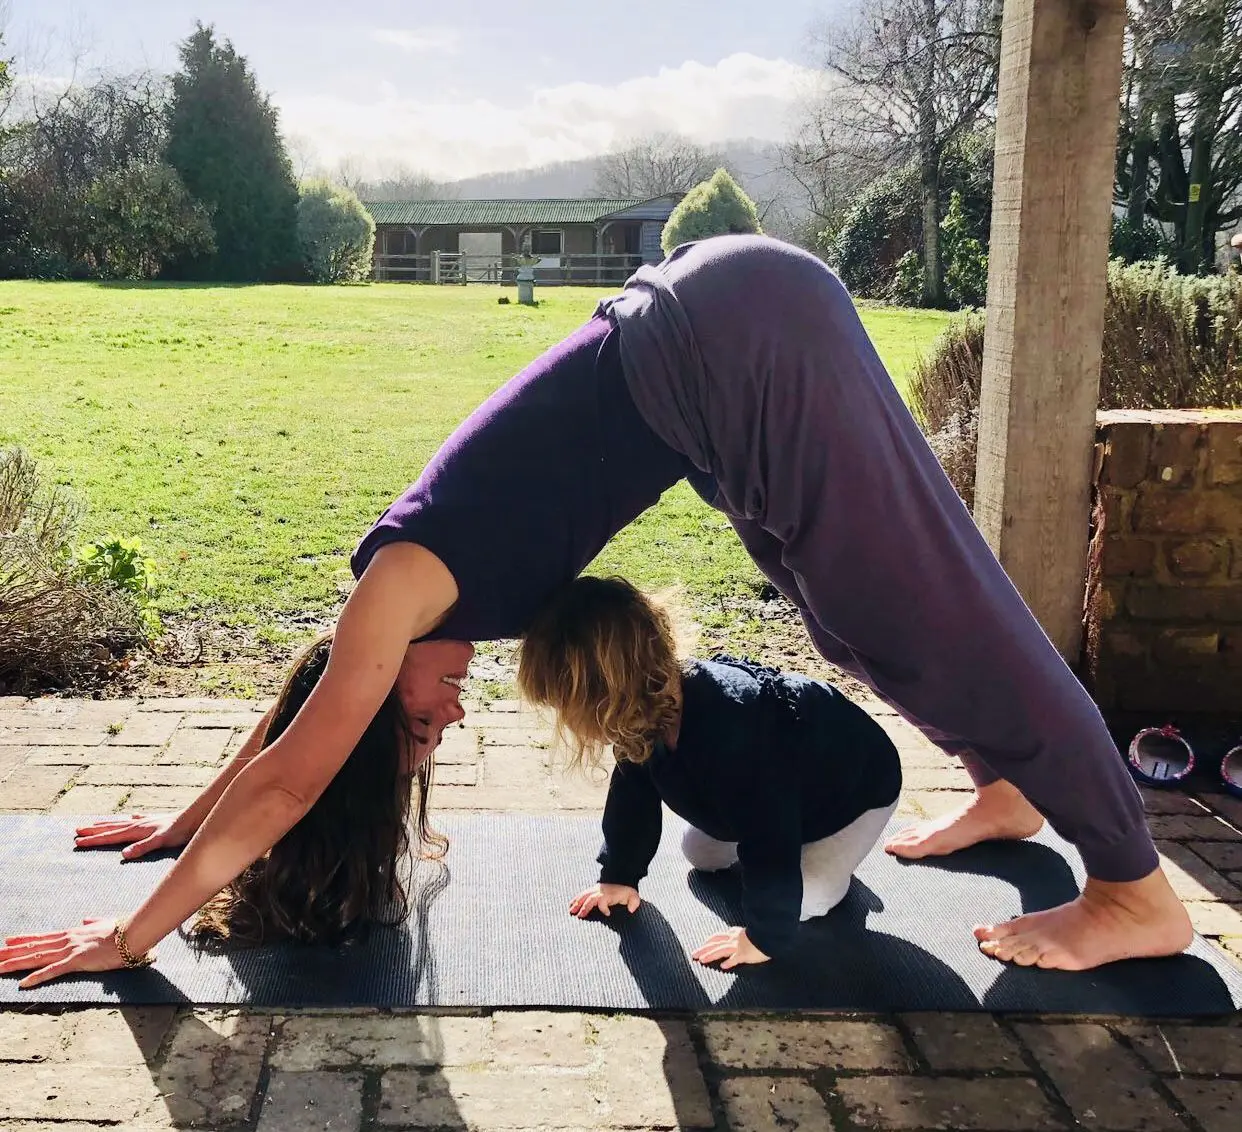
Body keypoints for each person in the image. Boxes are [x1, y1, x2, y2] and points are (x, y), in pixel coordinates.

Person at [0, 234, 1192, 991]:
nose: (445, 723)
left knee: (941, 612)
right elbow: (294, 733)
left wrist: (134, 934)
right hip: (713, 359)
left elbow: (294, 776)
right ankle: (1012, 779)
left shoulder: (400, 595)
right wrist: (175, 820)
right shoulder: (387, 611)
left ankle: (1135, 888)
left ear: (379, 687)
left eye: (413, 726)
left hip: (730, 348)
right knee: (859, 621)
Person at [516, 575, 902, 970]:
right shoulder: (642, 709)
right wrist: (619, 875)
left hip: (854, 795)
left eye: (566, 706)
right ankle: (799, 862)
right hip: (776, 792)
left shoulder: (737, 733)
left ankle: (832, 868)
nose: (565, 719)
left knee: (804, 901)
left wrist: (762, 937)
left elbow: (769, 831)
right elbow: (633, 797)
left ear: (606, 695)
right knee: (699, 853)